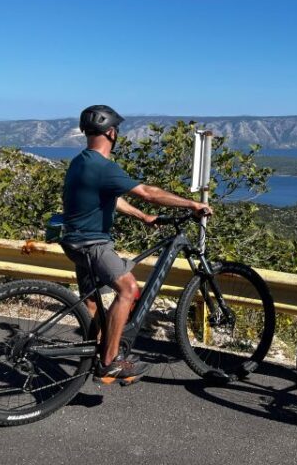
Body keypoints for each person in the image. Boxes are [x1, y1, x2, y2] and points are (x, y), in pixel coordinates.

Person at [61, 105, 212, 383]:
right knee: (128, 289)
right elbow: (148, 193)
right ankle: (109, 363)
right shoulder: (103, 166)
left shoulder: (80, 161)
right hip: (92, 243)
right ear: (111, 132)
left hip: (72, 241)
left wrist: (143, 216)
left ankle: (94, 356)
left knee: (94, 305)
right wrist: (192, 204)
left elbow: (111, 198)